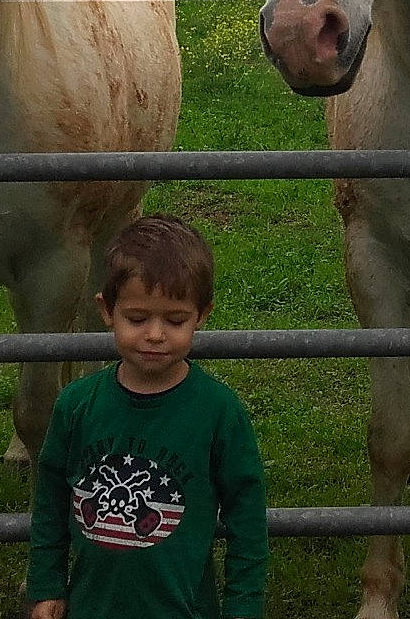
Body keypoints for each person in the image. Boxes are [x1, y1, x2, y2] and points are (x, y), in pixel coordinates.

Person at [26, 215, 268, 619]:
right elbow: (51, 499)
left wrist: (244, 606)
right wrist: (46, 584)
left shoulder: (218, 411)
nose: (155, 335)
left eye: (175, 320)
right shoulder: (77, 405)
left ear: (202, 315)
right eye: (137, 319)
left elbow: (247, 519)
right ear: (107, 310)